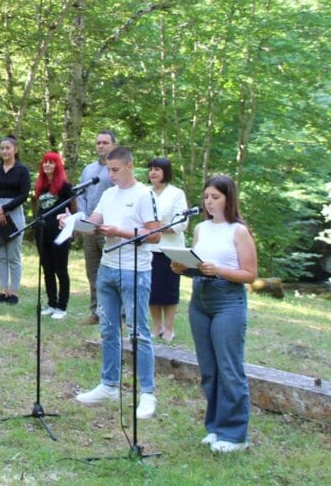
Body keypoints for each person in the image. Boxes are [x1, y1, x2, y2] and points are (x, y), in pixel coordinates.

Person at [65, 146, 162, 419]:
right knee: (108, 329)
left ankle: (147, 393)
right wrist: (72, 222)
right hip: (107, 267)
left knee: (138, 331)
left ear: (130, 166)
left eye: (115, 169)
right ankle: (108, 385)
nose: (111, 174)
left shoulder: (144, 195)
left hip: (134, 269)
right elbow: (93, 223)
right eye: (108, 169)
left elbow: (155, 234)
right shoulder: (108, 194)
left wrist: (121, 231)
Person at [171, 174, 257, 453]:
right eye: (206, 196)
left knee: (229, 367)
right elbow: (199, 266)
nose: (209, 202)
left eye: (215, 197)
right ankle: (216, 427)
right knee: (208, 368)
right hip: (200, 299)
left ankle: (235, 435)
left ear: (228, 199)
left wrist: (218, 270)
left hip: (227, 301)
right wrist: (182, 268)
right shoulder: (201, 229)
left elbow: (249, 274)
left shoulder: (238, 231)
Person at [0, 135, 31, 305]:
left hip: (14, 212)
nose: (4, 151)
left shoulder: (22, 170)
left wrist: (4, 209)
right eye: (2, 148)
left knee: (13, 255)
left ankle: (14, 293)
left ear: (15, 150)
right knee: (1, 256)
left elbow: (24, 195)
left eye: (7, 148)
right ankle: (3, 291)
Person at [147, 156, 189, 342]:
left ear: (166, 172)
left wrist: (159, 227)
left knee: (169, 291)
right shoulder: (145, 192)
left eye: (157, 169)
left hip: (170, 249)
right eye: (151, 169)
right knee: (151, 290)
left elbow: (181, 222)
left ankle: (169, 328)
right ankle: (157, 326)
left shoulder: (176, 193)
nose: (153, 173)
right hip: (149, 247)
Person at [33, 152, 77, 319]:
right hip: (42, 232)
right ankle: (51, 304)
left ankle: (62, 307)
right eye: (45, 162)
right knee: (47, 269)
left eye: (51, 162)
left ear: (57, 165)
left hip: (59, 233)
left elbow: (73, 208)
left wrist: (71, 228)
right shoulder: (41, 185)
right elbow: (38, 207)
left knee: (60, 270)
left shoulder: (65, 186)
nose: (47, 165)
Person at [78, 130, 116, 324]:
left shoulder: (116, 170)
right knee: (92, 271)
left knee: (112, 271)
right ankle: (96, 312)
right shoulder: (89, 170)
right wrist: (85, 219)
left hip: (109, 229)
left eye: (105, 143)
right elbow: (81, 195)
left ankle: (118, 314)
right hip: (89, 228)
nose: (101, 146)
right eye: (98, 143)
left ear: (114, 145)